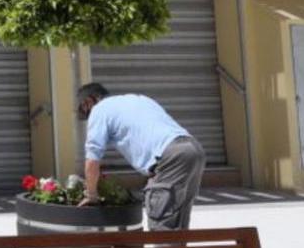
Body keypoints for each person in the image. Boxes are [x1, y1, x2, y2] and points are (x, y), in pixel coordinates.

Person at [75, 82, 206, 231]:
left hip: (170, 157)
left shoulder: (99, 110)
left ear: (89, 101)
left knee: (162, 226)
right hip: (193, 150)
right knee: (178, 227)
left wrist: (92, 194)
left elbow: (92, 159)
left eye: (85, 110)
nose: (88, 116)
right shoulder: (139, 99)